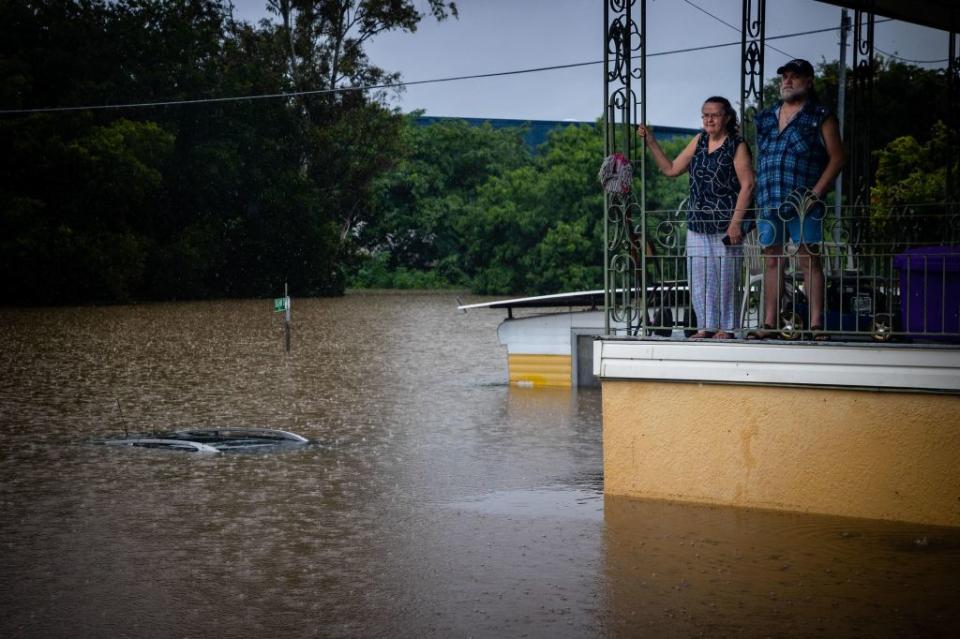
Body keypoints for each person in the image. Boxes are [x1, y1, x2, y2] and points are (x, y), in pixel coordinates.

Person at [638, 96, 755, 339]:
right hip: (698, 222)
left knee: (726, 277)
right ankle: (705, 326)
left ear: (727, 117)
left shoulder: (737, 144)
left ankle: (727, 328)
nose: (709, 119)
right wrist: (651, 142)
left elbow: (748, 185)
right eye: (705, 114)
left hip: (726, 223)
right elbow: (671, 169)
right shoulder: (699, 140)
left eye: (714, 114)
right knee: (700, 278)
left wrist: (736, 222)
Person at [751, 58, 845, 340]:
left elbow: (838, 158)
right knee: (771, 259)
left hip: (804, 202)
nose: (787, 81)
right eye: (785, 77)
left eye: (795, 77)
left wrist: (815, 194)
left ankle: (816, 324)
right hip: (769, 199)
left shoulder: (820, 114)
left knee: (809, 259)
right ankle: (770, 323)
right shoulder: (767, 116)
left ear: (809, 81)